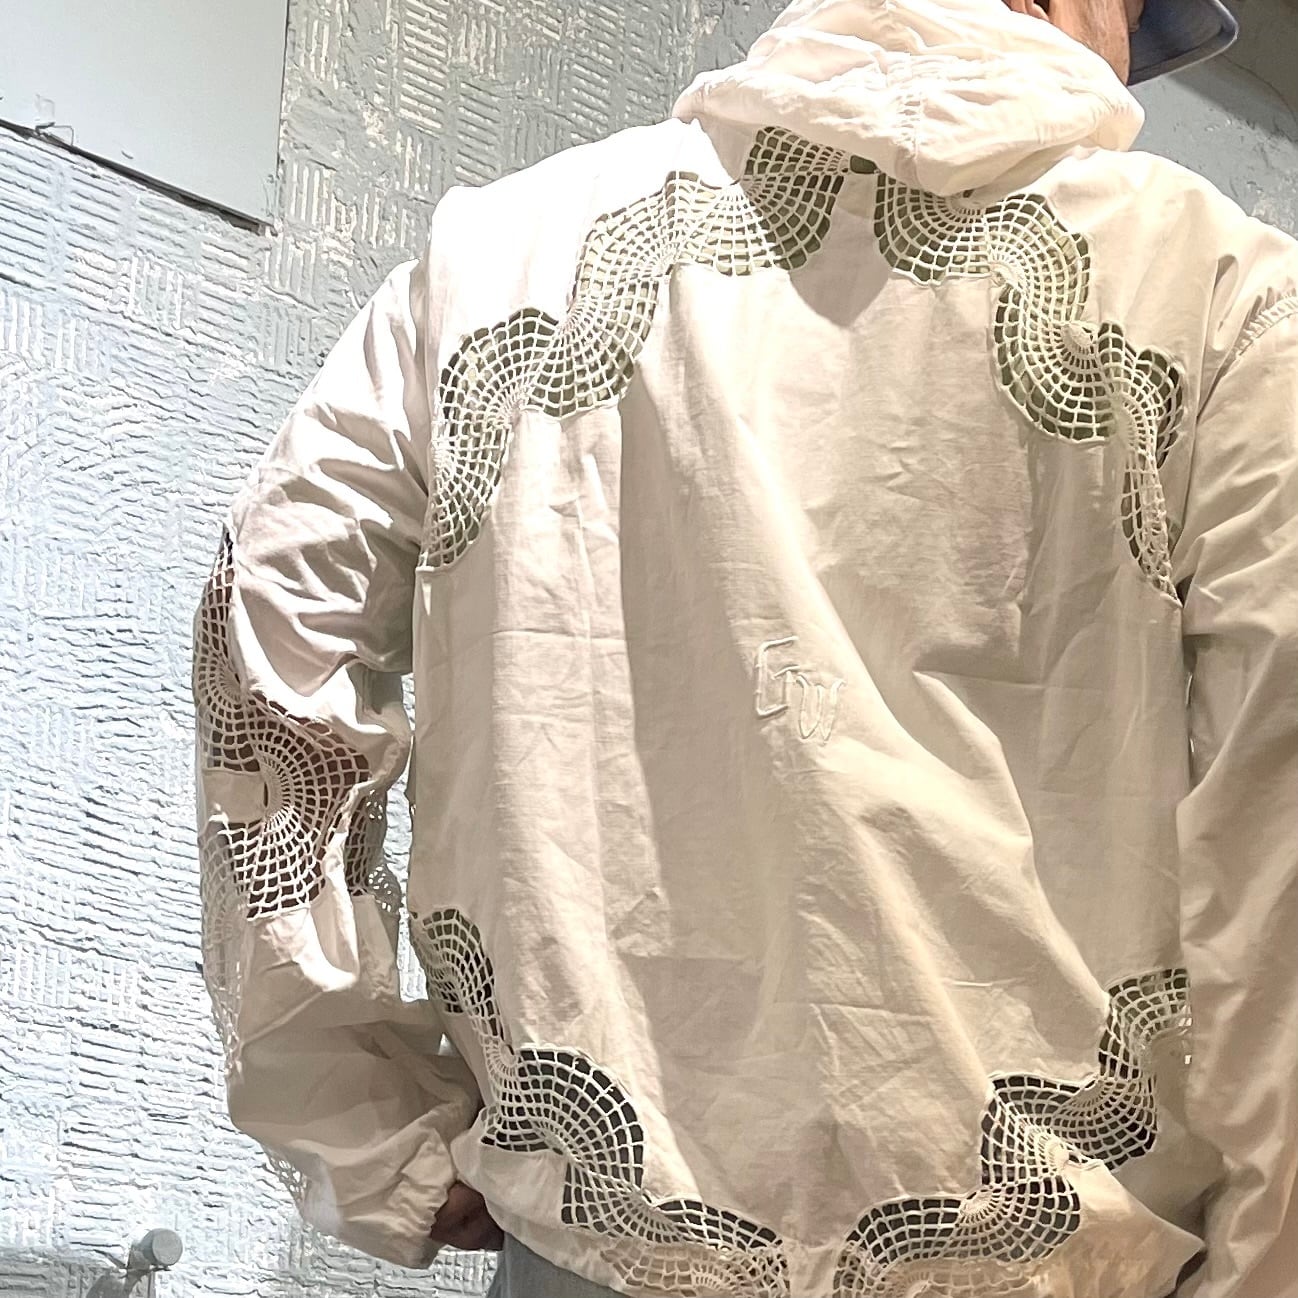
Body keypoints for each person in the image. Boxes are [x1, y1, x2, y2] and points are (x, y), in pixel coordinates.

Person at [191, 0, 1298, 1293]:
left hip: (598, 1248)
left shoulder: (495, 259)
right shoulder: (1226, 303)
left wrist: (367, 1120)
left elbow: (266, 620)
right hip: (1046, 1260)